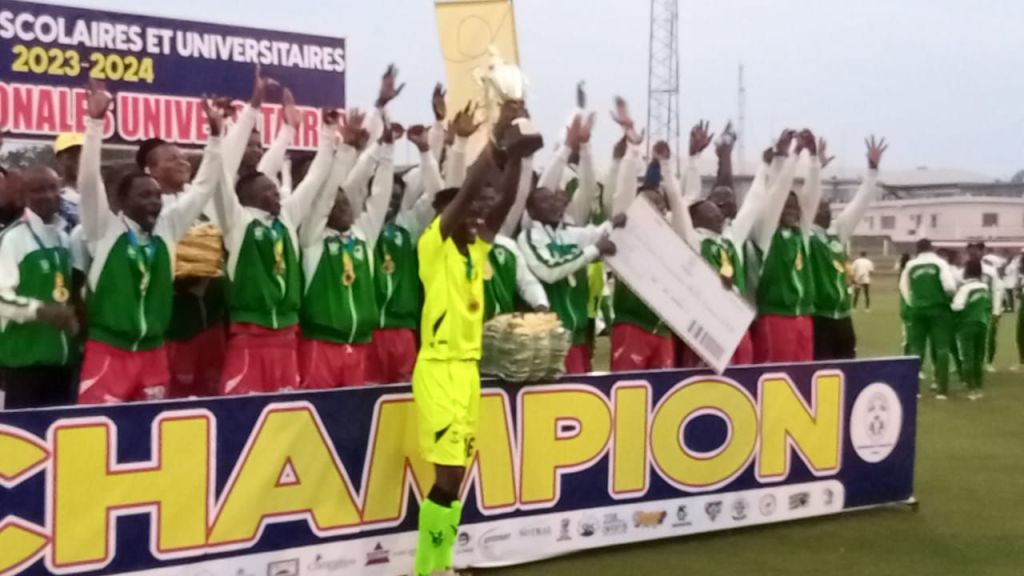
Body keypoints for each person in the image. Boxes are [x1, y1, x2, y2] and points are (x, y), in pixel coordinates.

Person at [412, 101, 541, 576]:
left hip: (467, 372)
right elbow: (469, 193)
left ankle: (439, 565)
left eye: (475, 212)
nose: (475, 214)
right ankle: (428, 570)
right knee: (447, 477)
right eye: (462, 210)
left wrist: (519, 155)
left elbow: (503, 202)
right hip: (440, 369)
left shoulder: (476, 249)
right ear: (442, 216)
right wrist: (497, 141)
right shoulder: (435, 246)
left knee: (457, 477)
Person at [76, 81, 225, 404]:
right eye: (143, 195)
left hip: (154, 353)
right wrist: (95, 124)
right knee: (98, 440)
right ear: (121, 199)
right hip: (109, 354)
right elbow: (88, 182)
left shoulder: (168, 226)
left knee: (153, 435)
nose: (154, 202)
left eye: (156, 196)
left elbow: (202, 188)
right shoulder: (103, 228)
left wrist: (215, 139)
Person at [212, 96, 342, 395]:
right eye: (269, 190)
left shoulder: (286, 218)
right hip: (248, 339)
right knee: (240, 417)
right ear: (249, 196)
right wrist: (216, 136)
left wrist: (328, 132)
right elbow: (218, 179)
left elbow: (314, 179)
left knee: (286, 418)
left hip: (287, 338)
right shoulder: (237, 223)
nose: (278, 194)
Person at [297, 110, 397, 389]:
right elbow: (325, 196)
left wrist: (387, 151)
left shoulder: (364, 235)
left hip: (362, 346)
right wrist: (345, 149)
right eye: (336, 205)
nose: (343, 208)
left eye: (346, 204)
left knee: (357, 422)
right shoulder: (312, 238)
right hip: (321, 346)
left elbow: (379, 198)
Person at [518, 108, 615, 374]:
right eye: (546, 201)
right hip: (552, 340)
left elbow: (589, 192)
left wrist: (585, 149)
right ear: (531, 210)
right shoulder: (528, 236)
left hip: (580, 337)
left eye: (556, 199)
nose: (555, 204)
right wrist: (565, 149)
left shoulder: (570, 233)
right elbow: (550, 272)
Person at [0, 166, 81, 408]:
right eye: (37, 190)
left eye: (52, 188)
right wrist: (40, 311)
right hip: (25, 365)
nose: (46, 195)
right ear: (24, 197)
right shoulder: (12, 239)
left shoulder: (65, 238)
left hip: (64, 363)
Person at [809, 137, 886, 359]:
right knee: (822, 369)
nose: (827, 211)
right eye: (821, 207)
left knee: (848, 366)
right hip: (818, 316)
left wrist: (872, 171)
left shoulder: (837, 231)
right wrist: (817, 168)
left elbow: (860, 203)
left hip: (842, 315)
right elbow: (805, 196)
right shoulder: (807, 236)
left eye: (828, 207)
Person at [748, 130, 805, 363]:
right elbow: (775, 195)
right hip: (774, 316)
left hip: (800, 316)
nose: (790, 210)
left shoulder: (800, 235)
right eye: (786, 206)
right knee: (775, 377)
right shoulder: (766, 234)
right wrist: (788, 158)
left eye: (794, 206)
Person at [900, 238, 957, 399]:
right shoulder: (940, 263)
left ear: (917, 249)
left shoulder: (911, 265)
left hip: (918, 310)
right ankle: (941, 390)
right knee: (941, 349)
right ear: (931, 248)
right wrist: (948, 298)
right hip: (938, 309)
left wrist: (913, 302)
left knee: (916, 349)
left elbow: (903, 287)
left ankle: (915, 389)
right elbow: (950, 287)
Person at [952, 259, 992, 401]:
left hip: (967, 324)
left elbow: (958, 306)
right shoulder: (984, 287)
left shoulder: (965, 289)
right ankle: (979, 386)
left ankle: (970, 387)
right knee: (979, 356)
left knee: (967, 356)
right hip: (982, 323)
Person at [968, 242, 1005, 372]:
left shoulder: (990, 270)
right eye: (971, 251)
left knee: (989, 335)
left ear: (982, 252)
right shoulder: (964, 269)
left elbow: (997, 290)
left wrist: (996, 309)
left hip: (986, 308)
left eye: (976, 251)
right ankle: (966, 361)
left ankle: (988, 361)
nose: (973, 253)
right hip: (969, 309)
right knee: (968, 336)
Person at [53, 133, 83, 231]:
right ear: (59, 159)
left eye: (80, 155)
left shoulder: (97, 191)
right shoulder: (52, 194)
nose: (77, 160)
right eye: (71, 156)